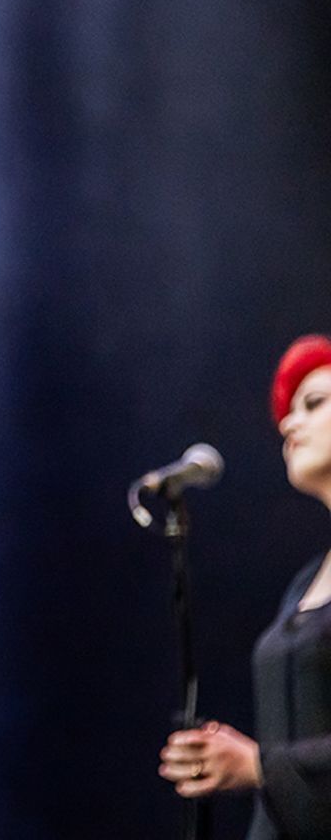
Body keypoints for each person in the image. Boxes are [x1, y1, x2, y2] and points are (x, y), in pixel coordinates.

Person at [160, 335, 331, 838]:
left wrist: (258, 765)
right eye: (287, 412)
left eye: (314, 403)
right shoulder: (306, 580)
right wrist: (226, 756)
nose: (287, 423)